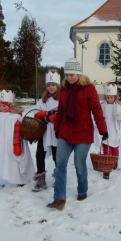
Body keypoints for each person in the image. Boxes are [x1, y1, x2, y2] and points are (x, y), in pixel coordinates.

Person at [47, 58, 108, 211]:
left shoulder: (89, 89)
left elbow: (96, 110)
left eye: (72, 74)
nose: (69, 78)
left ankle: (82, 190)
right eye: (67, 75)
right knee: (60, 164)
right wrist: (57, 128)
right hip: (66, 132)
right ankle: (59, 198)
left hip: (83, 132)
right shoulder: (65, 90)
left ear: (79, 74)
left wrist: (103, 129)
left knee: (79, 165)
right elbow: (60, 110)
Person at [0, 90, 35, 192]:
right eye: (1, 105)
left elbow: (17, 132)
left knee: (13, 161)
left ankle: (20, 179)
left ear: (10, 105)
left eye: (5, 106)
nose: (2, 108)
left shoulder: (15, 116)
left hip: (9, 144)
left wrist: (17, 145)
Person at [94, 83, 121, 179]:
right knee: (106, 151)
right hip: (105, 132)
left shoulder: (119, 106)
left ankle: (114, 162)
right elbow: (96, 116)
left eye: (111, 97)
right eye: (107, 97)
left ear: (115, 97)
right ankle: (106, 169)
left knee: (115, 151)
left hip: (116, 132)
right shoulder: (101, 106)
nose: (109, 99)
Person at [32, 71, 60, 192]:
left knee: (56, 155)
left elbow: (61, 114)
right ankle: (41, 178)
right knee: (39, 154)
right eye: (49, 85)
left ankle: (59, 177)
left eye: (53, 85)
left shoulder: (62, 99)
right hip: (43, 131)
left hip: (56, 132)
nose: (51, 87)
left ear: (58, 86)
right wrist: (48, 114)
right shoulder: (42, 100)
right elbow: (36, 113)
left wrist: (50, 117)